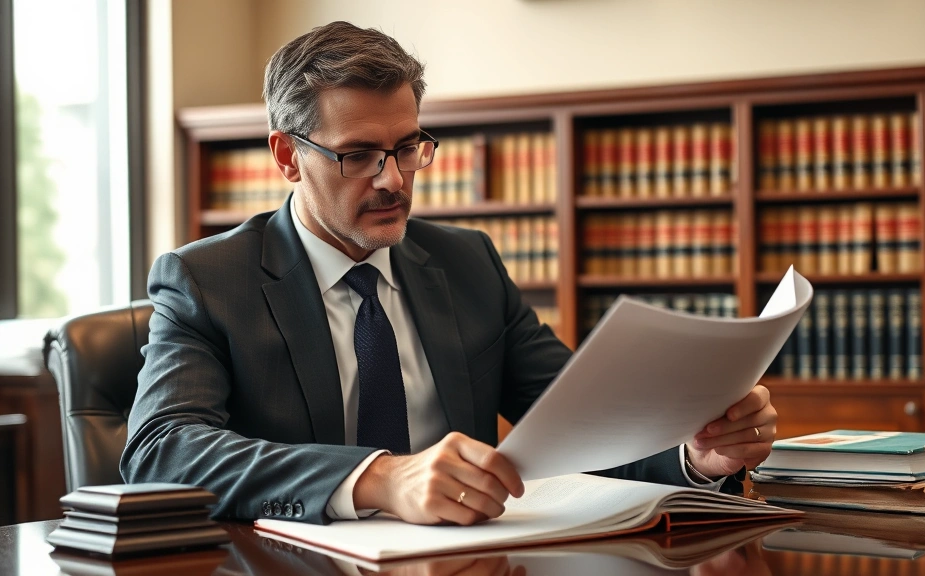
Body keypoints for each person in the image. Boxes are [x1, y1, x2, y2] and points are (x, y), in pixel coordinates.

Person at [122, 21, 778, 526]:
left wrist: (695, 455)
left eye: (408, 147)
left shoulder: (467, 264)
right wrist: (379, 478)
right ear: (288, 156)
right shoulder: (207, 281)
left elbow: (581, 423)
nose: (394, 179)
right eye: (358, 156)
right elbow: (162, 452)